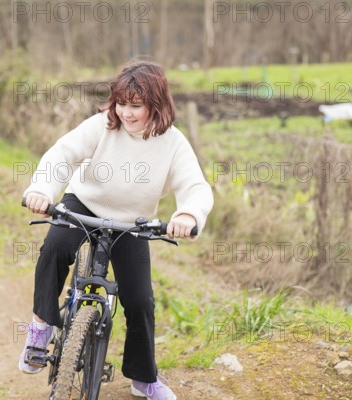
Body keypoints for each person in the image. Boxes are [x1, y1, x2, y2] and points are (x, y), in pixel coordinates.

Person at [19, 60, 213, 400]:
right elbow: (60, 156)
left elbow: (195, 186)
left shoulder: (173, 143)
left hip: (132, 222)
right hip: (84, 204)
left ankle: (143, 378)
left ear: (157, 104)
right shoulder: (101, 126)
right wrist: (42, 190)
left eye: (135, 105)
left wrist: (189, 214)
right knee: (56, 249)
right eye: (120, 103)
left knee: (139, 301)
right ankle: (40, 328)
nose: (126, 112)